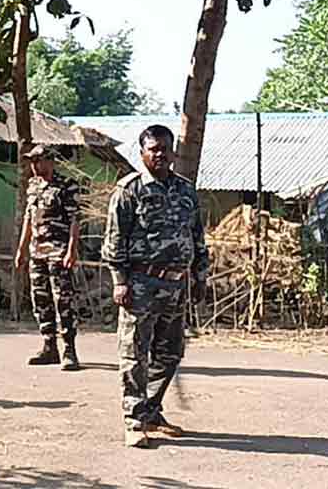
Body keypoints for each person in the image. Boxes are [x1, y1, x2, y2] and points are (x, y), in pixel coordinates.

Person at [102, 125, 209, 447]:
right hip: (140, 285)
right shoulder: (129, 190)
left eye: (165, 148)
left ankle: (151, 410)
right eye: (154, 149)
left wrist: (200, 276)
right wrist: (119, 281)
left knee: (170, 353)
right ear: (142, 153)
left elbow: (197, 236)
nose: (161, 154)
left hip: (176, 286)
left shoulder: (185, 190)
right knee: (135, 354)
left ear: (173, 151)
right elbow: (114, 240)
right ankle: (134, 421)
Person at [14, 144, 81, 371]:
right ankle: (49, 346)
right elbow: (28, 218)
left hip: (58, 252)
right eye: (31, 161)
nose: (34, 165)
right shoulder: (33, 186)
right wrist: (21, 249)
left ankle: (69, 349)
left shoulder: (66, 186)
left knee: (63, 299)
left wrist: (72, 249)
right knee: (40, 299)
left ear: (50, 161)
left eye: (38, 160)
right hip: (37, 252)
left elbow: (74, 220)